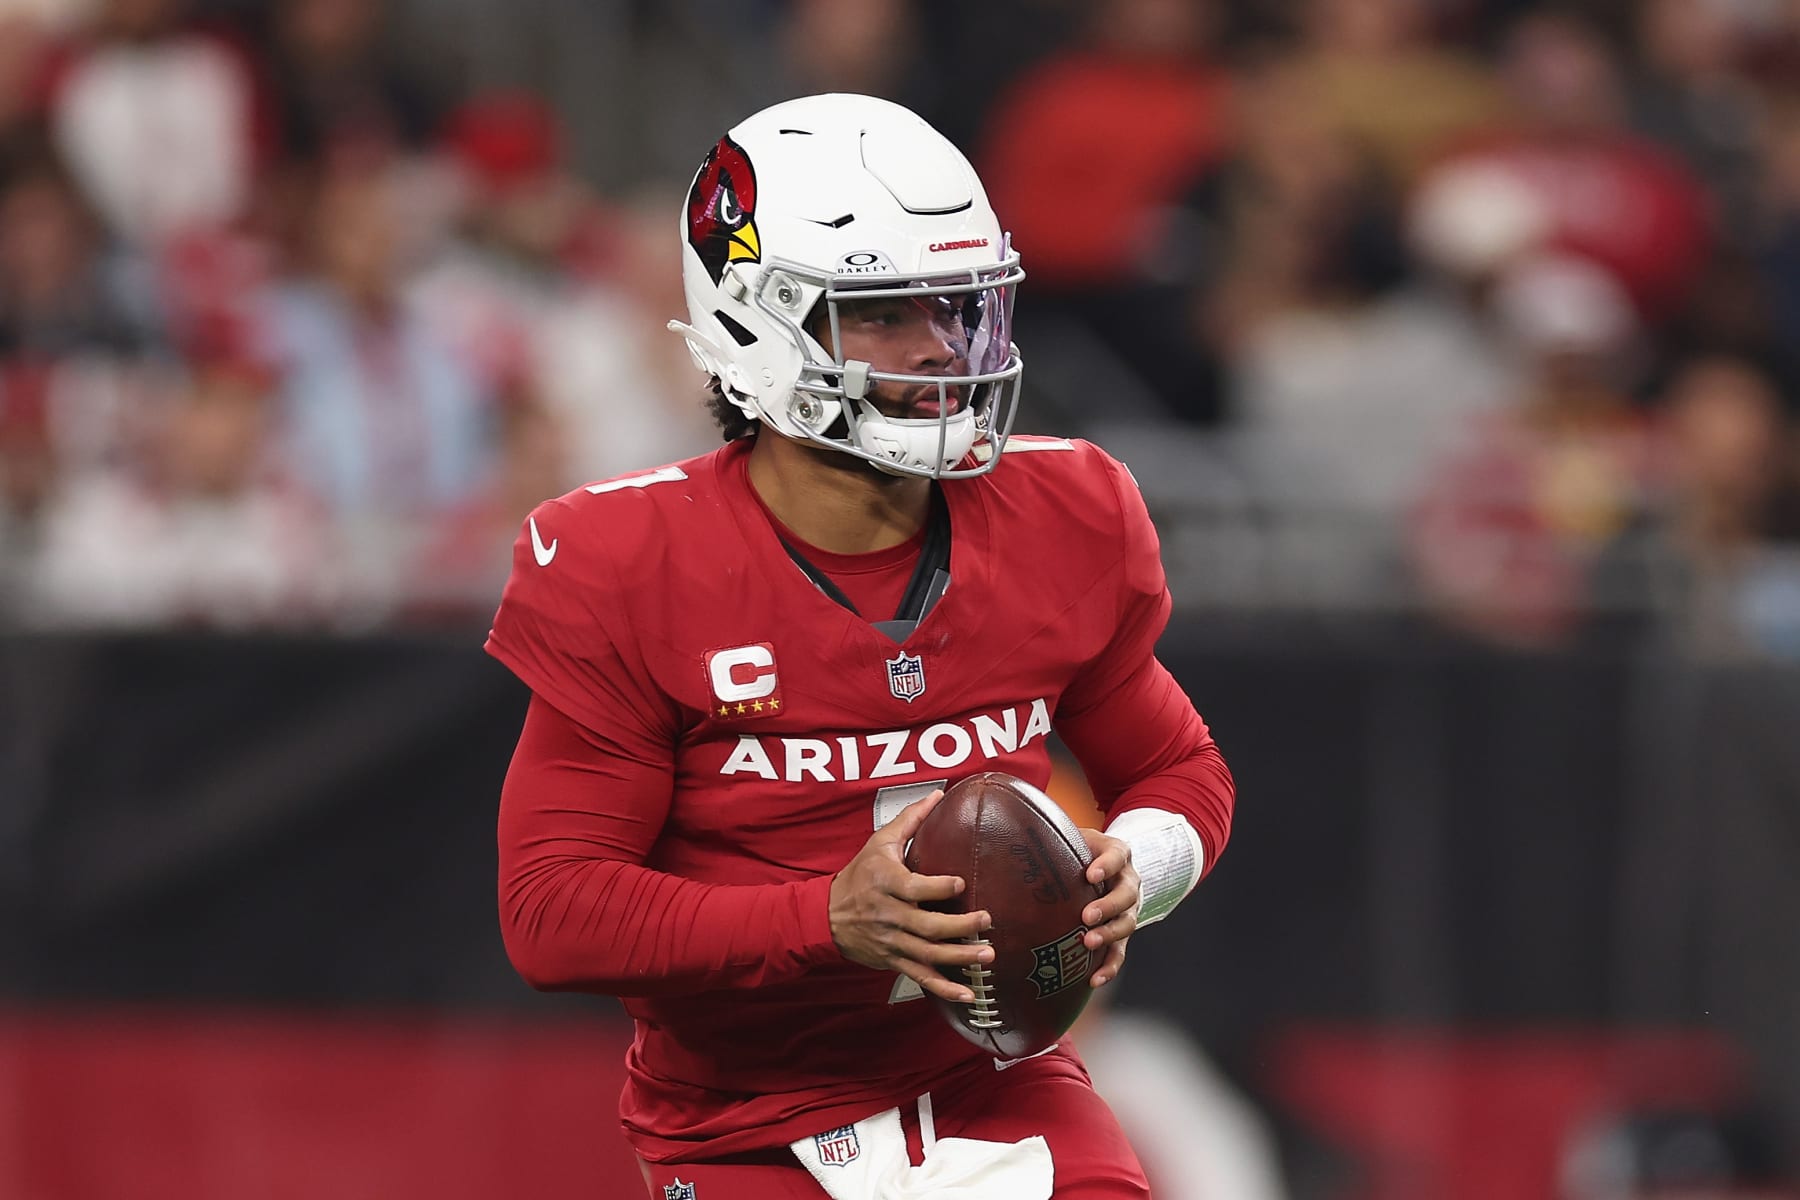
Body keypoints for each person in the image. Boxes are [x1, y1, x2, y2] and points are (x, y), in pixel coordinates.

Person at [486, 93, 1236, 1199]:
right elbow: (552, 912)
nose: (939, 345)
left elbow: (1178, 767)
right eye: (883, 313)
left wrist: (1140, 871)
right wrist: (825, 919)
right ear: (756, 325)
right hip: (746, 1120)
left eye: (956, 305)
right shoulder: (629, 559)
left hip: (995, 1079)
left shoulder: (1068, 511)